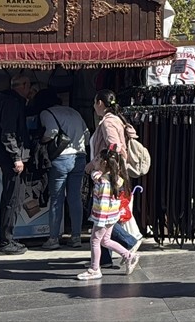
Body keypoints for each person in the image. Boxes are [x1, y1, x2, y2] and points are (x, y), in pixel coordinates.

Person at [90, 90, 140, 269]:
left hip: (108, 176)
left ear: (100, 103)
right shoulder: (115, 120)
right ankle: (104, 260)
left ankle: (128, 243)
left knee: (102, 219)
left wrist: (100, 165)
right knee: (105, 220)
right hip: (111, 175)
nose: (94, 107)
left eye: (95, 102)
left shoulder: (108, 122)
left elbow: (114, 147)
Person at [37, 91, 89, 250]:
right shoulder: (74, 112)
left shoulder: (46, 113)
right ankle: (76, 237)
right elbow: (86, 135)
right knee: (75, 198)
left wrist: (42, 140)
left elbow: (51, 131)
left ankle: (53, 239)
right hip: (79, 157)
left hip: (61, 158)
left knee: (57, 199)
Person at [76, 146, 136, 280]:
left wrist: (98, 220)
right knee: (105, 240)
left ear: (104, 163)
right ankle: (128, 256)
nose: (94, 161)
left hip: (104, 216)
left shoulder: (103, 182)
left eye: (97, 159)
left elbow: (102, 203)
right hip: (112, 216)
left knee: (95, 240)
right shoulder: (114, 178)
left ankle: (94, 269)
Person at [0, 76, 31, 255]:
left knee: (15, 198)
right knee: (12, 199)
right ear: (22, 85)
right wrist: (16, 157)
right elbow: (8, 133)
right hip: (12, 159)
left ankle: (8, 237)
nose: (29, 90)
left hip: (11, 157)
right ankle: (6, 241)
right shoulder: (11, 103)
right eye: (28, 85)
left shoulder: (6, 102)